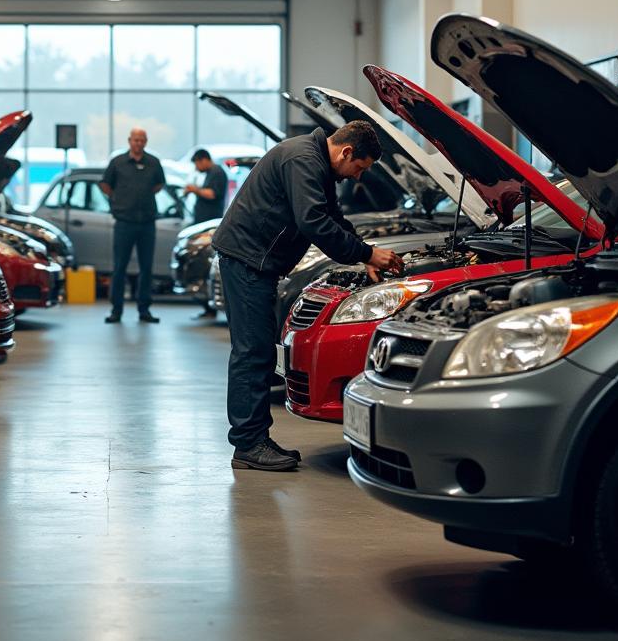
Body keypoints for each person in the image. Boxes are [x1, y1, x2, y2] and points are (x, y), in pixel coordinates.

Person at [212, 120, 404, 472]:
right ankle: (249, 445)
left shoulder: (313, 160)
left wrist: (367, 252)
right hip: (247, 260)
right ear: (346, 152)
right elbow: (314, 221)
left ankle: (253, 439)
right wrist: (364, 254)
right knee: (252, 352)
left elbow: (333, 216)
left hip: (254, 260)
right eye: (359, 168)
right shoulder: (303, 159)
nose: (357, 177)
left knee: (256, 350)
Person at [100, 128, 166, 324]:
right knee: (119, 267)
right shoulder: (117, 162)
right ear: (130, 141)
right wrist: (119, 199)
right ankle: (116, 311)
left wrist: (143, 196)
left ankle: (144, 310)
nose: (138, 143)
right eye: (135, 140)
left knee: (147, 268)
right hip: (124, 223)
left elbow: (159, 184)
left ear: (145, 142)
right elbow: (105, 184)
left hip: (147, 223)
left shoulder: (153, 162)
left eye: (142, 140)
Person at [185, 149, 228, 321]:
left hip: (209, 227)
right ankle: (207, 307)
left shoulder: (217, 173)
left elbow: (212, 194)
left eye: (197, 164)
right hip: (203, 224)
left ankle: (209, 307)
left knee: (204, 264)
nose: (196, 168)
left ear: (203, 160)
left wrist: (193, 190)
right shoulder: (212, 172)